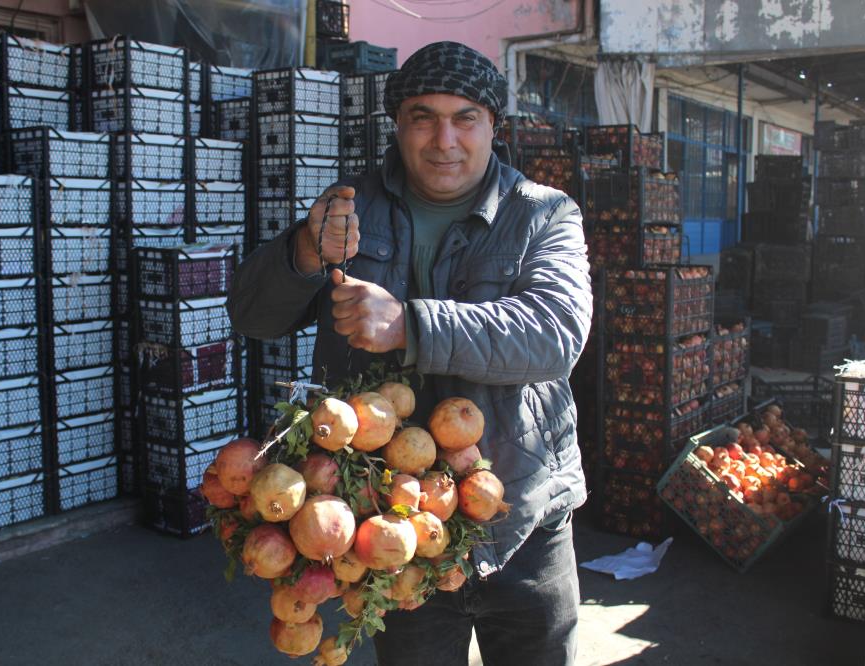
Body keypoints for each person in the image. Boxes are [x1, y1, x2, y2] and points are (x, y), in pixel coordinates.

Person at [227, 41, 592, 666]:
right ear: (397, 125)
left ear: (493, 126)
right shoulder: (350, 207)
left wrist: (408, 325)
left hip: (519, 509)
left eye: (465, 118)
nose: (443, 139)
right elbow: (253, 317)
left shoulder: (543, 213)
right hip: (388, 519)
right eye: (423, 117)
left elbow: (556, 334)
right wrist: (305, 253)